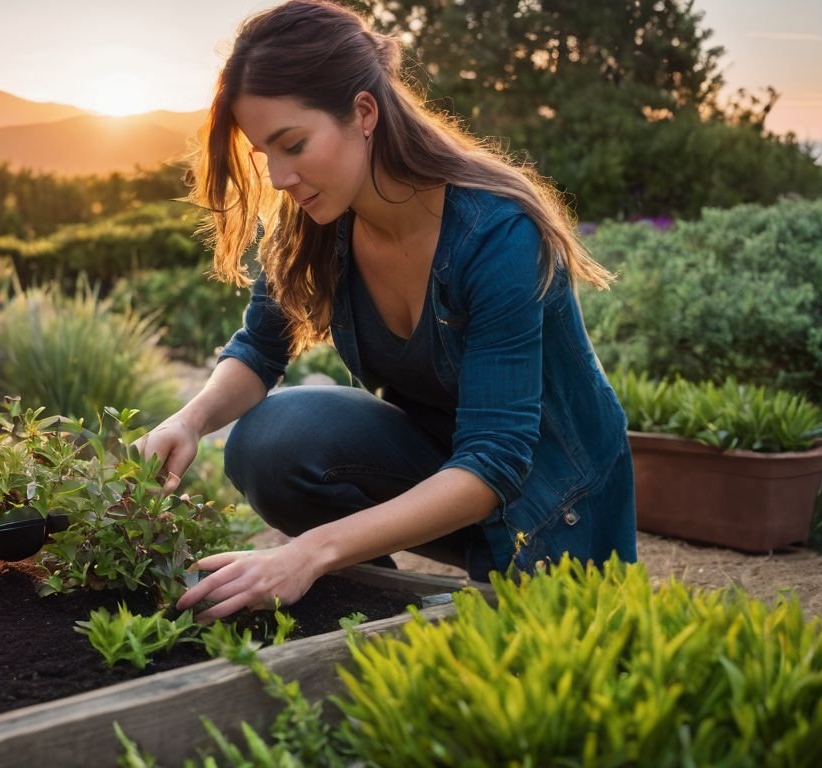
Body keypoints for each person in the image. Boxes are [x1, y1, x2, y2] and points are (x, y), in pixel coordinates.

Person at [136, 0, 636, 622]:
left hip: (552, 495)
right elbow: (261, 349)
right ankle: (372, 612)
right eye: (267, 153)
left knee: (551, 668)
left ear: (364, 112)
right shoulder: (315, 218)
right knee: (270, 441)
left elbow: (497, 459)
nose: (282, 176)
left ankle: (354, 580)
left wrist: (310, 553)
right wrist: (188, 422)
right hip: (441, 469)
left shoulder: (498, 234)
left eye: (294, 144)